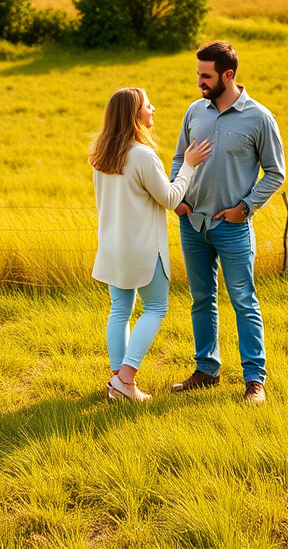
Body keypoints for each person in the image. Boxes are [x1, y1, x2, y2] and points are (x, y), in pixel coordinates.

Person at [170, 41, 285, 405]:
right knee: (202, 298)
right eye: (198, 74)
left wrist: (246, 208)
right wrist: (178, 200)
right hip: (192, 225)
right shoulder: (194, 111)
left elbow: (275, 173)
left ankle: (254, 381)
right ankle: (207, 370)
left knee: (243, 301)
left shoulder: (259, 118)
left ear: (228, 75)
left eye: (206, 75)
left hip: (233, 228)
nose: (200, 82)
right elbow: (177, 158)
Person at [90, 87, 212, 402]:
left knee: (120, 309)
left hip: (112, 247)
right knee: (156, 307)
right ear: (135, 115)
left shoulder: (101, 156)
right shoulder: (142, 155)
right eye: (147, 105)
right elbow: (171, 198)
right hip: (142, 249)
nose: (153, 109)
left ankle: (118, 381)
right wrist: (189, 164)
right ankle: (126, 381)